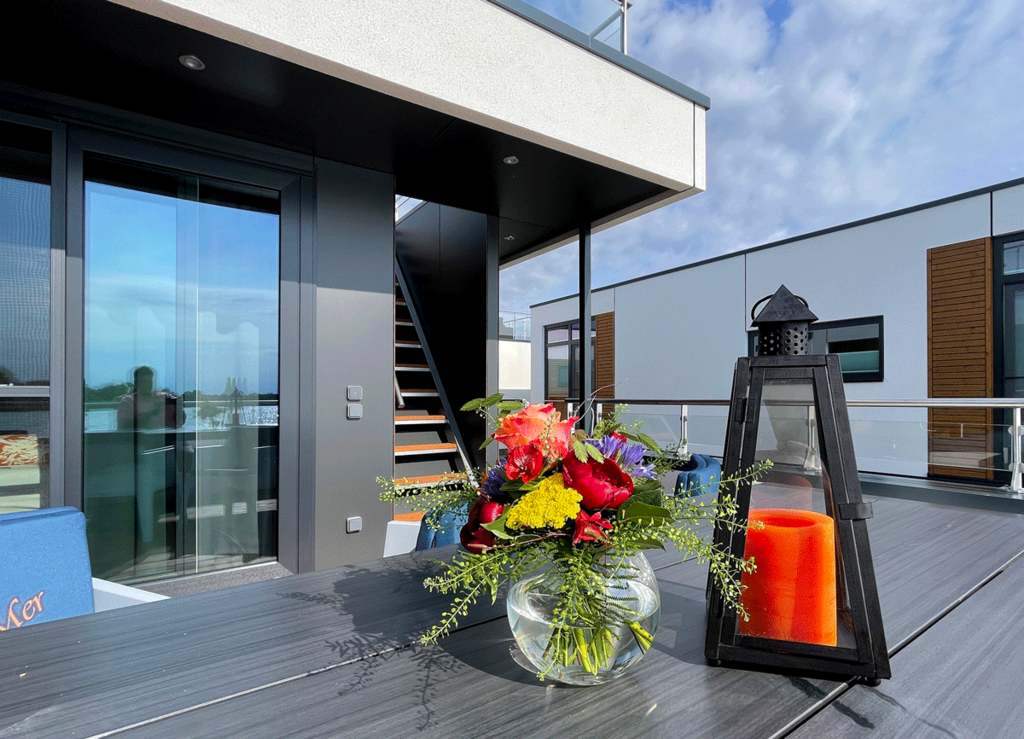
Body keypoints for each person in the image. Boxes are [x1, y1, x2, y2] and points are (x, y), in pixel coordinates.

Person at [116, 366, 185, 430]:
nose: (146, 385)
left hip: (168, 440)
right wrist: (151, 413)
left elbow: (181, 422)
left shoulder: (165, 397)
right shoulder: (128, 402)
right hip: (144, 441)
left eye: (149, 382)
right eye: (143, 382)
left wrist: (179, 408)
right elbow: (124, 426)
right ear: (136, 383)